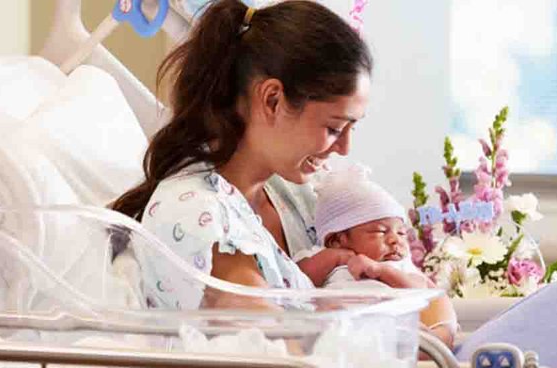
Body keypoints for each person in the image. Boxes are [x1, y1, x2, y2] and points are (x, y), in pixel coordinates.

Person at [111, 0, 372, 309]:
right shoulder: (198, 213)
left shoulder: (299, 196)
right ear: (272, 100)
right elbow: (272, 335)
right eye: (334, 128)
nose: (344, 148)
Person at [295, 166, 459, 347]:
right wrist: (335, 258)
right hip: (342, 327)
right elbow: (299, 278)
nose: (395, 240)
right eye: (381, 231)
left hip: (394, 327)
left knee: (419, 339)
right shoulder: (322, 256)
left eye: (401, 233)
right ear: (337, 240)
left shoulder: (398, 265)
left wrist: (382, 271)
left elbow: (419, 290)